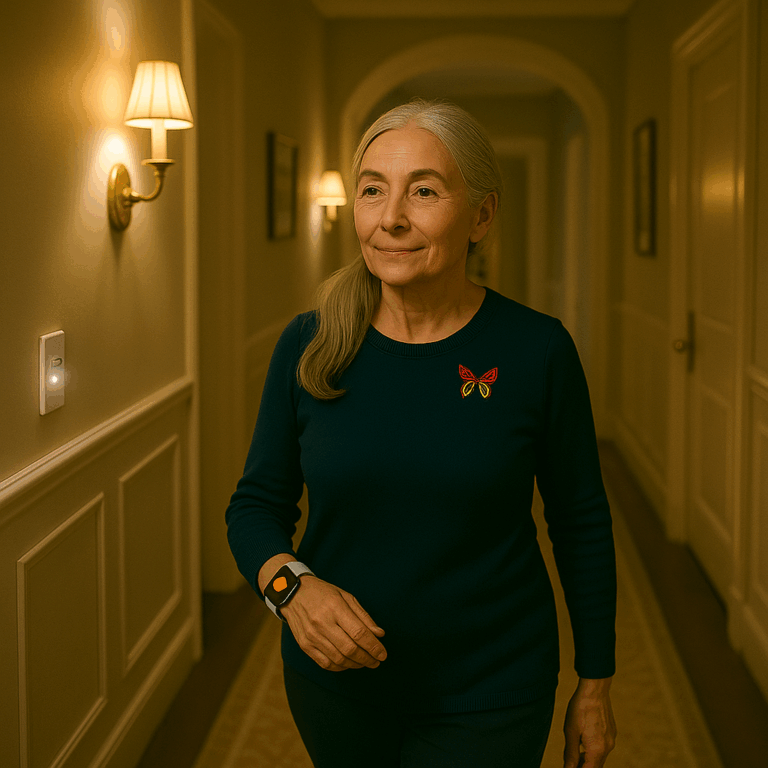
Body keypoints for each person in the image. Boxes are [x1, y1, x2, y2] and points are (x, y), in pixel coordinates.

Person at [225, 99, 617, 768]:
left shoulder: (537, 351)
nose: (391, 217)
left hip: (493, 687)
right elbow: (256, 505)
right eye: (373, 190)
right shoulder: (310, 345)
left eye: (424, 191)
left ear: (482, 216)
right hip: (338, 686)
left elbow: (580, 520)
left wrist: (596, 681)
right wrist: (292, 589)